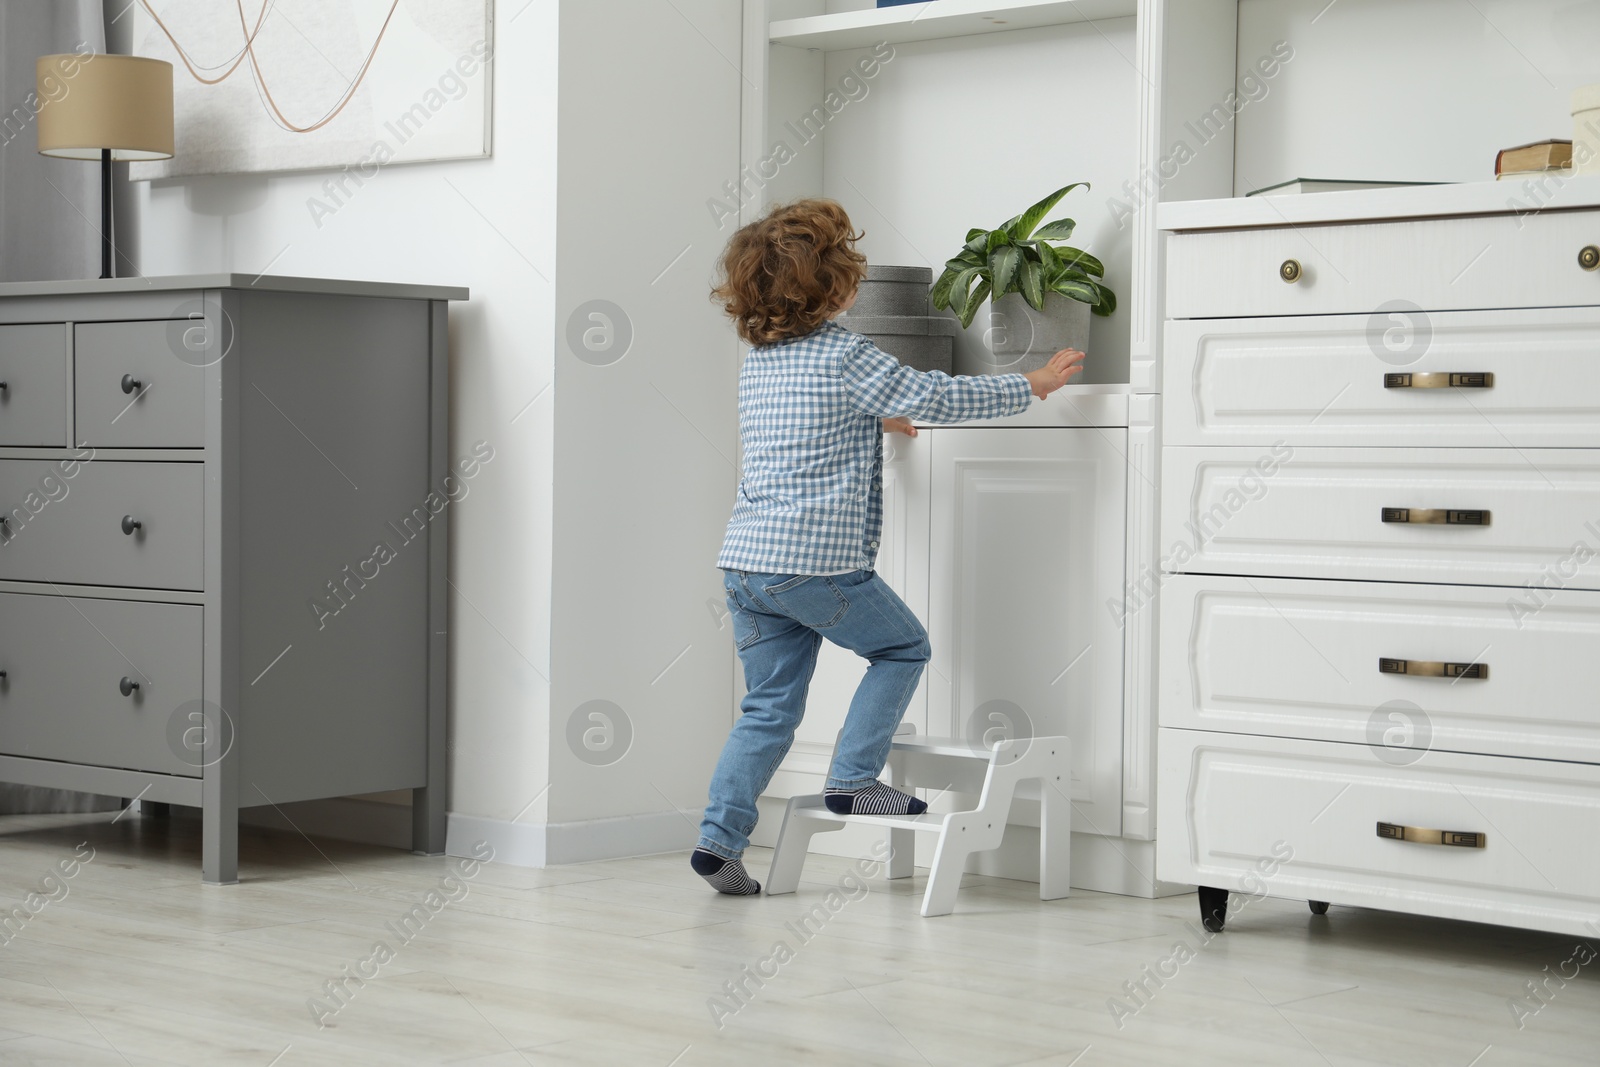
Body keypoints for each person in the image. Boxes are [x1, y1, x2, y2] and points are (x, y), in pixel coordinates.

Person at [691, 198, 1085, 895]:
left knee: (769, 707)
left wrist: (883, 416)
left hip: (747, 562)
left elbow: (807, 431)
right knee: (902, 647)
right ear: (836, 288)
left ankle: (719, 839)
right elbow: (937, 394)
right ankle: (853, 781)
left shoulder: (760, 364)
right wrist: (1034, 383)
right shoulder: (847, 355)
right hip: (814, 564)